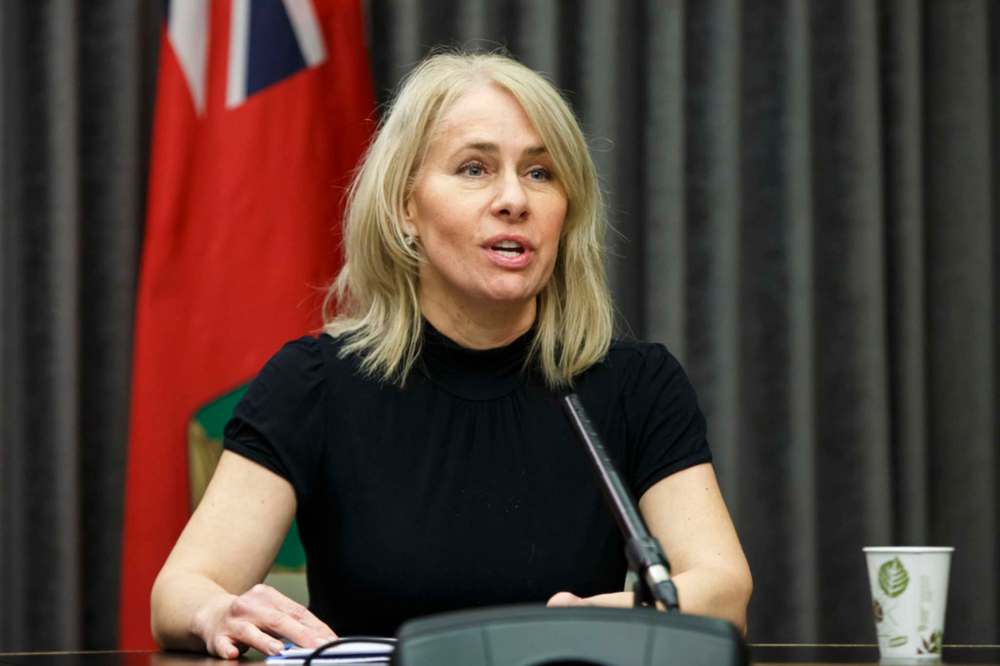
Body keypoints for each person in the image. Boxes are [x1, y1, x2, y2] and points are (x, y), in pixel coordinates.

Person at [150, 51, 752, 659]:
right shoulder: (314, 384)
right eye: (474, 169)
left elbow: (723, 590)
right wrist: (217, 609)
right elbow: (180, 590)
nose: (514, 199)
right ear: (405, 207)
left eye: (540, 173)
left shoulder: (633, 384)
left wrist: (600, 621)